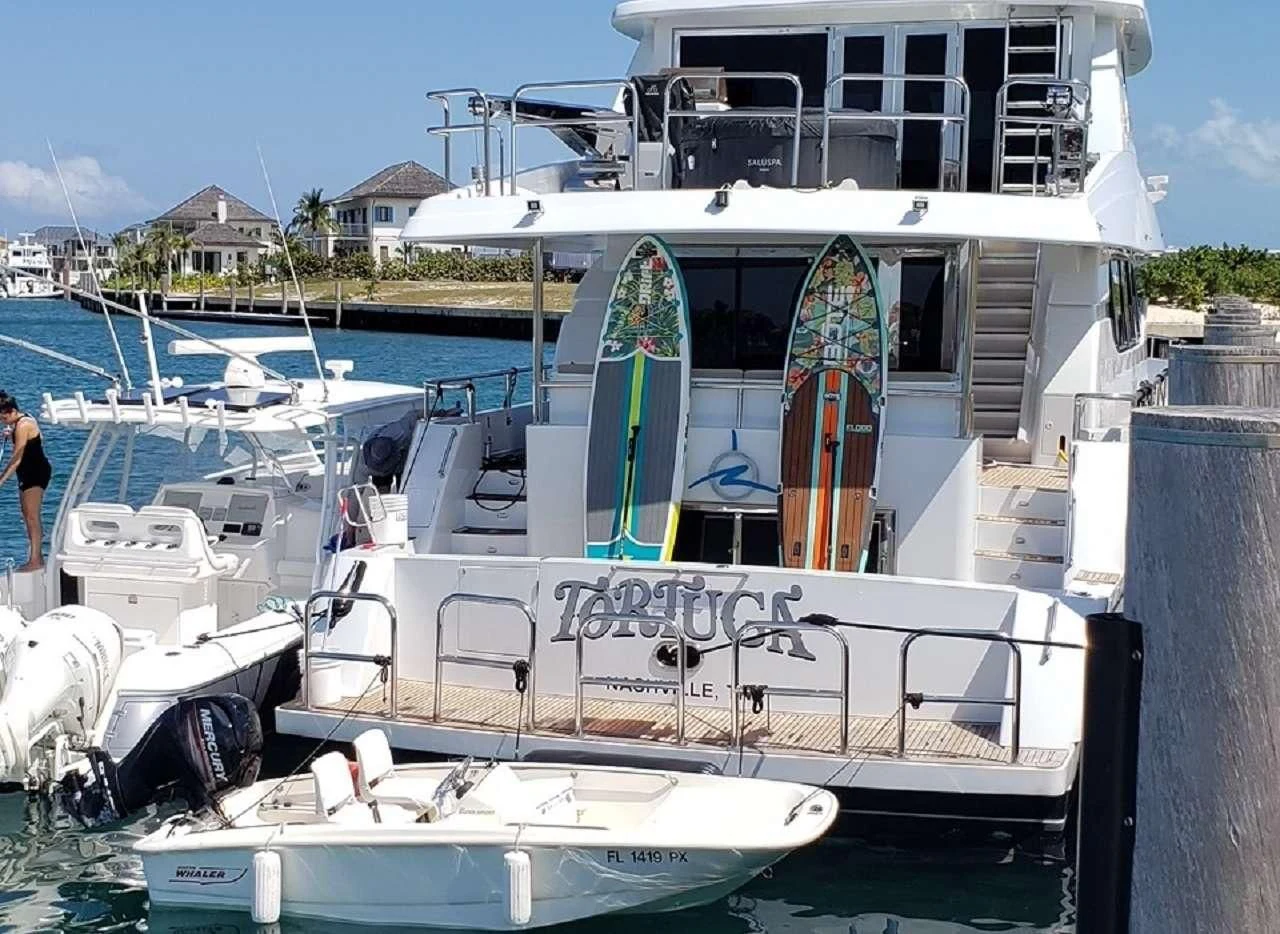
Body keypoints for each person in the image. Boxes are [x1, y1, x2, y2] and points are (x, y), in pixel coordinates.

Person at [0, 393, 53, 571]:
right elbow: (37, 439)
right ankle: (37, 557)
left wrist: (0, 480)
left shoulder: (23, 425)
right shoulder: (22, 421)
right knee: (27, 515)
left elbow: (16, 459)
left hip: (35, 473)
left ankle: (36, 560)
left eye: (3, 417)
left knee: (32, 515)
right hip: (28, 472)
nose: (2, 421)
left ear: (12, 411)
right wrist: (12, 432)